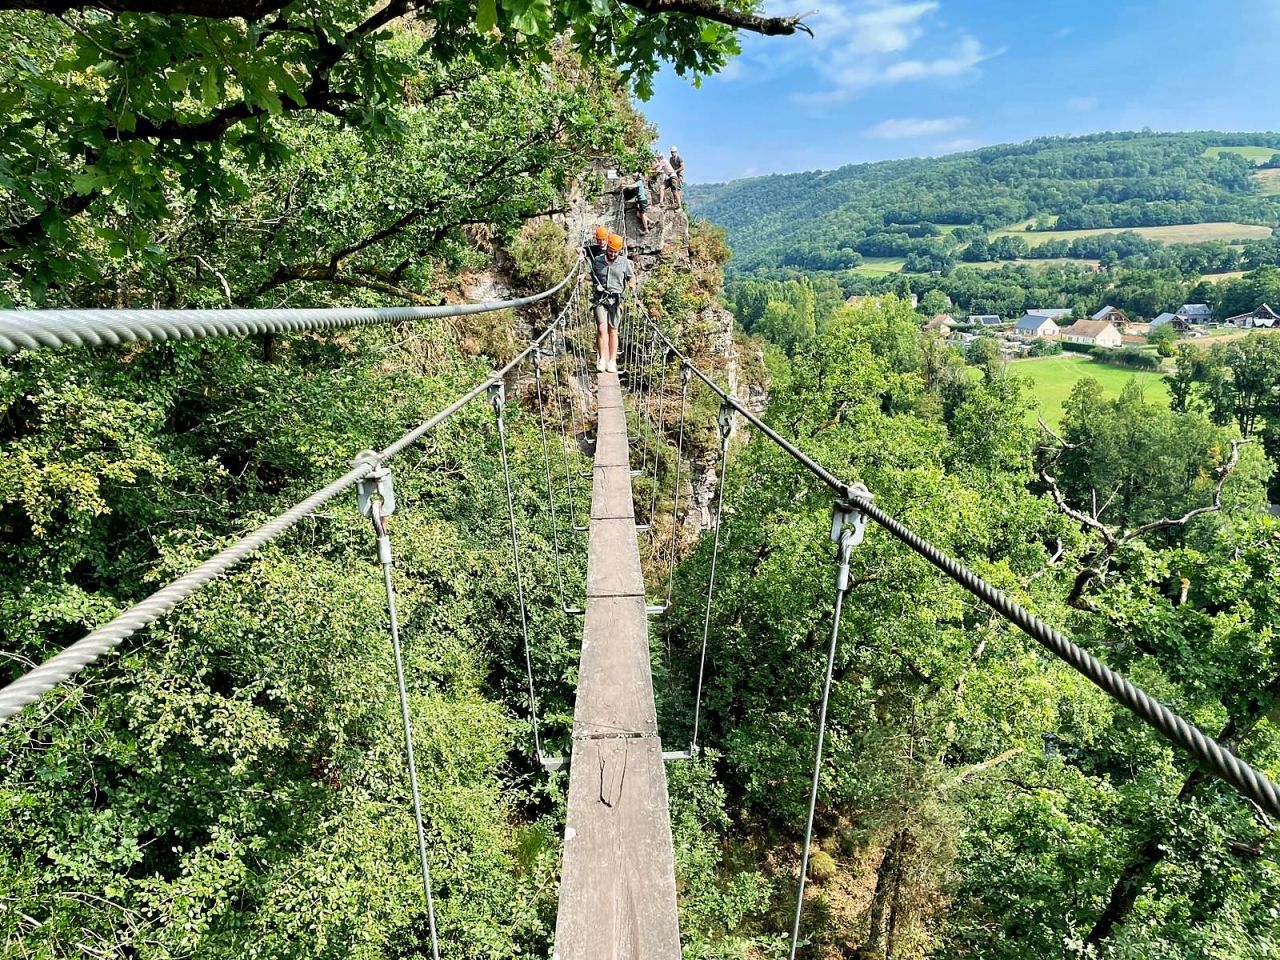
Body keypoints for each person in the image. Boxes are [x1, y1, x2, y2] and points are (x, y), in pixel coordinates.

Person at [580, 232, 636, 373]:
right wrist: (583, 276)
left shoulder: (624, 262)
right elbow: (593, 276)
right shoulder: (598, 261)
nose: (612, 254)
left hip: (616, 300)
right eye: (610, 251)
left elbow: (631, 277)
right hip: (600, 298)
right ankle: (602, 359)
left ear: (619, 251)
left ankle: (612, 361)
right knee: (601, 328)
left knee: (613, 330)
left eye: (615, 252)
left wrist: (632, 285)